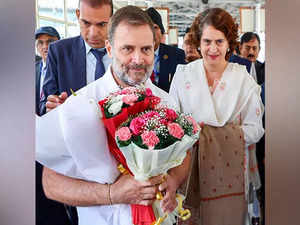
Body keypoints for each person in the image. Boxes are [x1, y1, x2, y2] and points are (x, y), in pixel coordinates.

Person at [36, 5, 191, 225]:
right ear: (109, 49)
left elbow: (184, 155)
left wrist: (173, 180)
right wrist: (113, 194)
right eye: (127, 49)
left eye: (146, 49)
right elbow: (51, 184)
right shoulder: (79, 105)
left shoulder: (167, 100)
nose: (138, 59)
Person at [169, 8, 264, 225]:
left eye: (219, 41)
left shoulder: (243, 79)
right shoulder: (183, 75)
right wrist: (195, 137)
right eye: (207, 41)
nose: (213, 49)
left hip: (232, 175)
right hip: (189, 171)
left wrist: (211, 135)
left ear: (229, 43)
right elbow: (172, 124)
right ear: (198, 42)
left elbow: (256, 129)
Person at [38, 1, 113, 223]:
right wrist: (53, 107)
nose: (93, 33)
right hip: (75, 160)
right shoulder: (59, 52)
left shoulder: (123, 51)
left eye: (102, 24)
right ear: (77, 15)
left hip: (118, 156)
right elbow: (46, 103)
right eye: (86, 23)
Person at [35, 26, 71, 225]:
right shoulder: (32, 69)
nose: (45, 46)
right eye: (40, 42)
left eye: (50, 41)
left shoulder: (65, 67)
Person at [145, 7, 186, 92]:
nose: (151, 33)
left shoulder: (177, 55)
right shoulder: (135, 55)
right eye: (147, 28)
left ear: (162, 32)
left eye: (155, 27)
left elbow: (183, 86)